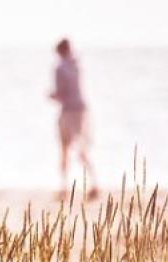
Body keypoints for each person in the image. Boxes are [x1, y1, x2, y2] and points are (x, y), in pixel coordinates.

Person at [49, 38, 98, 200]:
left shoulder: (59, 68)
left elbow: (61, 94)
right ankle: (94, 183)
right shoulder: (77, 65)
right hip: (82, 109)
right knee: (82, 149)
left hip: (68, 111)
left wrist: (51, 96)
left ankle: (64, 187)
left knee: (64, 149)